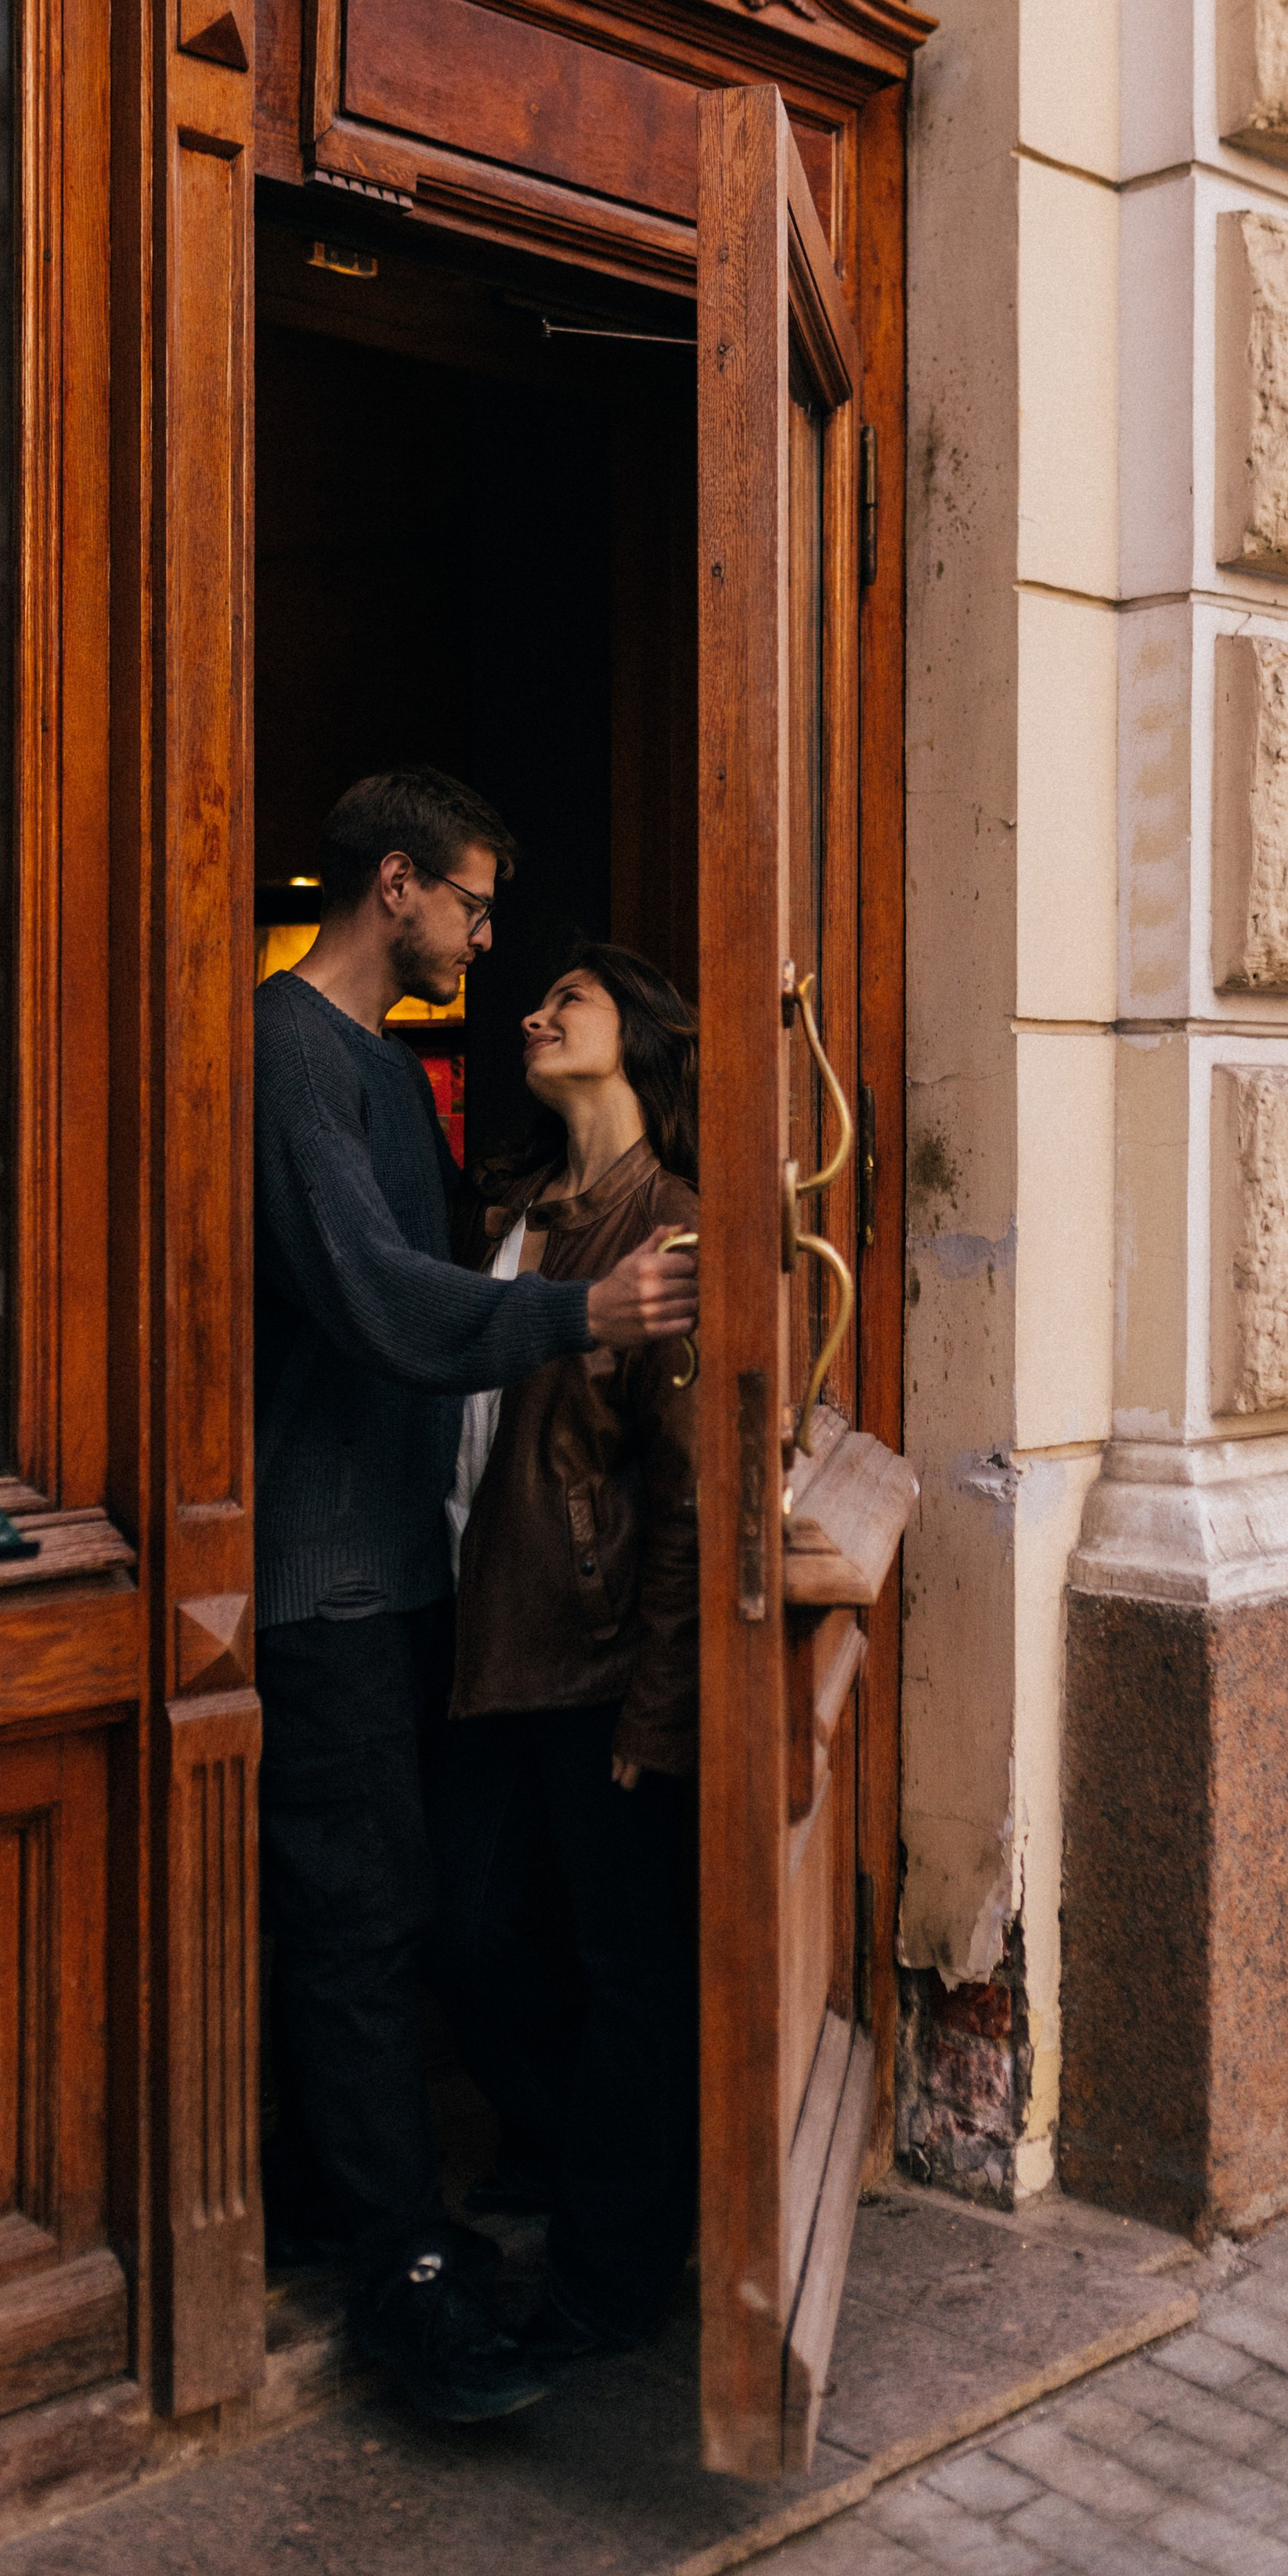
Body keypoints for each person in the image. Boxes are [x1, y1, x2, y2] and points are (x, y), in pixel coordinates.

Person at [252, 771, 695, 2426]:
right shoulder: (293, 1047)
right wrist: (581, 1316)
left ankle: (399, 2211)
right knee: (371, 1927)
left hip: (415, 1585)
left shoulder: (384, 1067)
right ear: (396, 887)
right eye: (474, 905)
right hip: (328, 1579)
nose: (488, 941)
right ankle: (404, 2279)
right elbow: (379, 1299)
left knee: (403, 1918)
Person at [432, 944, 701, 2360]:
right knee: (473, 1935)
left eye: (570, 1001)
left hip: (593, 1657)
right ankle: (565, 2145)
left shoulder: (674, 1228)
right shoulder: (514, 1212)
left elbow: (691, 1494)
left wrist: (658, 1710)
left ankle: (611, 2277)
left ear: (635, 1041)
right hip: (485, 1627)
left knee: (630, 1974)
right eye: (538, 1001)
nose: (535, 1014)